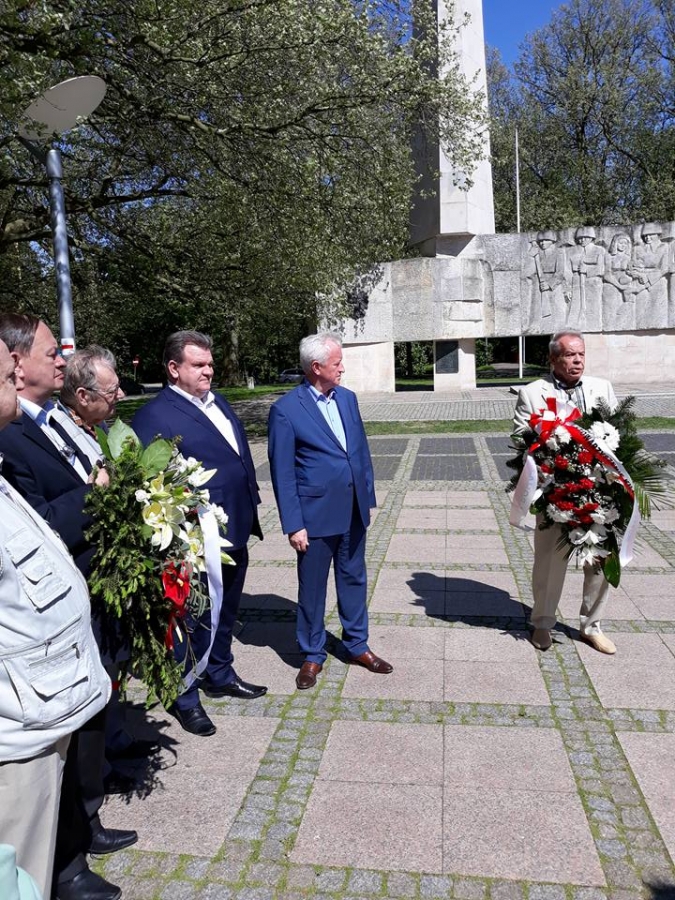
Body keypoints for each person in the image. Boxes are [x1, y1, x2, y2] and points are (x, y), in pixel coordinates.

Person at [0, 315, 137, 900]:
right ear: (15, 361)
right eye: (49, 351)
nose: (61, 359)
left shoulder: (52, 419)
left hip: (77, 611)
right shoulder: (11, 435)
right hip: (28, 679)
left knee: (87, 729)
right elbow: (47, 520)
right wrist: (95, 493)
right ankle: (65, 863)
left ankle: (82, 826)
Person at [132, 330, 266, 737]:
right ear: (174, 369)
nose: (208, 371)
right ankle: (184, 695)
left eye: (209, 363)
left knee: (226, 609)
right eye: (199, 364)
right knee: (191, 617)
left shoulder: (216, 400)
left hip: (233, 526)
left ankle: (220, 673)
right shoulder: (155, 416)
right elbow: (152, 483)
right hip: (193, 539)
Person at [267, 332, 392, 690]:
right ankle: (312, 653)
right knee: (312, 588)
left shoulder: (347, 399)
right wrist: (294, 524)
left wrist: (366, 497)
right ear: (316, 367)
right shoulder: (286, 410)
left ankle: (357, 645)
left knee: (354, 579)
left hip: (352, 510)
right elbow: (282, 473)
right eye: (337, 362)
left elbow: (360, 450)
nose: (342, 368)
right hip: (314, 516)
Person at [60, 348, 159, 788]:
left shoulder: (101, 429)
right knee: (98, 664)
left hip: (113, 570)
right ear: (83, 396)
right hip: (88, 572)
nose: (120, 395)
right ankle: (97, 767)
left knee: (113, 662)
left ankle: (115, 741)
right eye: (111, 390)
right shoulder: (62, 429)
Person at [513, 330, 618, 656]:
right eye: (570, 355)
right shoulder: (533, 393)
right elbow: (521, 439)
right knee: (549, 562)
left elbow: (619, 435)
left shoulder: (602, 388)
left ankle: (592, 626)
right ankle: (543, 623)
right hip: (555, 493)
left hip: (598, 493)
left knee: (600, 561)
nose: (577, 361)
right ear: (553, 359)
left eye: (581, 354)